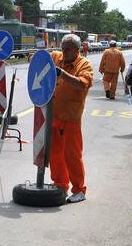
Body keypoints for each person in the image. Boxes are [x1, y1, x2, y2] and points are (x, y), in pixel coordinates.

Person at [50, 34, 94, 203]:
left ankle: (79, 189)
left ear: (77, 50)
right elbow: (39, 58)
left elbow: (82, 83)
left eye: (68, 49)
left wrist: (62, 74)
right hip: (54, 114)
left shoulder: (85, 65)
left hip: (71, 117)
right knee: (55, 154)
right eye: (63, 48)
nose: (64, 52)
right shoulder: (57, 57)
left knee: (72, 155)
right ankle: (60, 184)